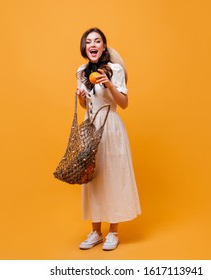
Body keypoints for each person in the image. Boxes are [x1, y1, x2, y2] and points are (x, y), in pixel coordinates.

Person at [75, 27, 141, 251]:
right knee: (92, 178)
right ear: (84, 47)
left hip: (111, 127)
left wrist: (109, 84)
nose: (92, 45)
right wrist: (82, 98)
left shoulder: (114, 69)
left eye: (97, 41)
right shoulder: (81, 72)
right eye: (88, 41)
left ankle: (113, 232)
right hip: (90, 127)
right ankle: (95, 232)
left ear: (104, 46)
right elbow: (87, 105)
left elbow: (123, 104)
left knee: (113, 176)